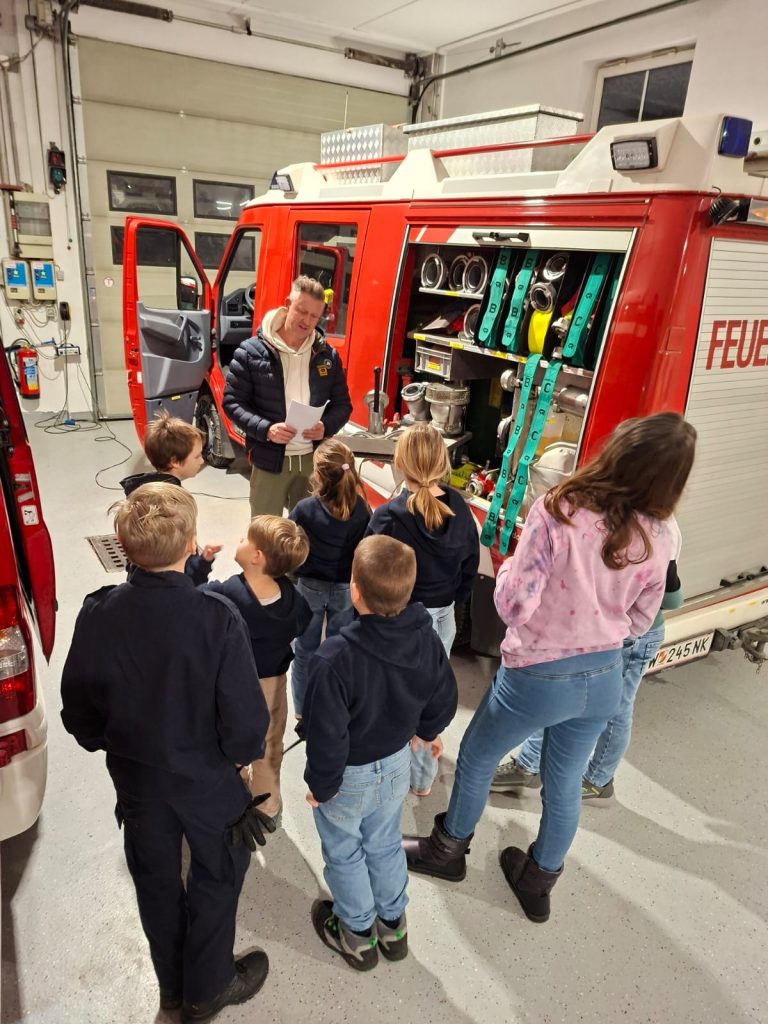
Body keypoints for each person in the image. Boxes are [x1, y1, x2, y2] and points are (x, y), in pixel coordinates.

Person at [403, 412, 697, 924]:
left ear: (617, 449)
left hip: (538, 674)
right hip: (603, 677)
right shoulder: (660, 533)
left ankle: (446, 852)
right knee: (563, 783)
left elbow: (514, 604)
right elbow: (640, 618)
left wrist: (506, 574)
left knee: (477, 757)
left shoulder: (561, 507)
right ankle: (537, 881)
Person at [60, 483, 275, 1023]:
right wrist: (241, 758)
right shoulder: (218, 617)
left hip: (137, 780)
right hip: (207, 779)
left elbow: (79, 708)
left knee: (154, 877)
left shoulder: (98, 612)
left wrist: (110, 741)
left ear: (123, 545)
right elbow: (246, 720)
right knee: (219, 870)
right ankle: (209, 987)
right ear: (191, 543)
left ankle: (172, 988)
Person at [304, 535, 458, 971]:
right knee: (385, 841)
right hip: (396, 765)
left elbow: (327, 734)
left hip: (348, 776)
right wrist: (428, 730)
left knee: (344, 850)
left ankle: (356, 933)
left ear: (354, 590)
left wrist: (321, 784)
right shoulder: (426, 637)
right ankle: (393, 925)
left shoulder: (334, 657)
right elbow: (443, 693)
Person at [491, 519, 684, 800]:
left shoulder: (661, 530)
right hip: (602, 632)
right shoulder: (614, 515)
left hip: (631, 638)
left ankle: (598, 779)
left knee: (617, 710)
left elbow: (671, 600)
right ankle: (528, 766)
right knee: (562, 699)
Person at [366, 422, 479, 796]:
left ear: (399, 463)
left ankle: (392, 766)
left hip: (401, 622)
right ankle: (422, 778)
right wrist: (452, 601)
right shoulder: (460, 508)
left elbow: (367, 572)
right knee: (429, 693)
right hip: (443, 617)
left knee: (395, 696)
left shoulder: (388, 517)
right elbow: (469, 567)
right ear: (443, 463)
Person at [203, 515, 311, 826]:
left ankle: (235, 795)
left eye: (244, 539)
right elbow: (303, 623)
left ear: (256, 556)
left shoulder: (227, 594)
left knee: (228, 742)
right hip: (272, 684)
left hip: (231, 686)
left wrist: (201, 564)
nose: (239, 540)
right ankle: (267, 806)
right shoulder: (292, 597)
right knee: (269, 745)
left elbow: (195, 598)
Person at [222, 275, 353, 518]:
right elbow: (232, 402)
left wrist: (325, 426)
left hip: (312, 462)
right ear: (287, 304)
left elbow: (343, 405)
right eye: (302, 311)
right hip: (269, 459)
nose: (307, 321)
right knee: (266, 530)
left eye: (314, 316)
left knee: (308, 530)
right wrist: (267, 429)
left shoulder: (327, 355)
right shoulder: (250, 352)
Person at [288, 438, 370, 720]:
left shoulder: (305, 509)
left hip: (309, 586)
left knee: (304, 650)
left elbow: (289, 543)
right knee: (339, 650)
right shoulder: (362, 510)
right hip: (346, 588)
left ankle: (302, 710)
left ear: (319, 475)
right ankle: (334, 706)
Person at [120, 409, 221, 585]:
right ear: (174, 461)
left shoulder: (139, 493)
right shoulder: (175, 505)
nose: (201, 461)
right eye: (197, 456)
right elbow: (179, 561)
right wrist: (201, 568)